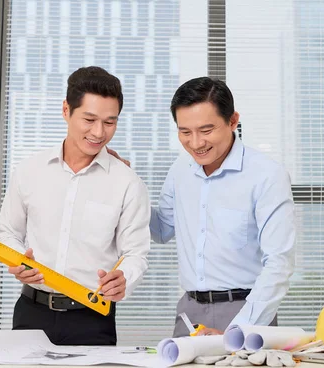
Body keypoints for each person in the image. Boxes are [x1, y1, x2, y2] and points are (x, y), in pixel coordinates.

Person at [111, 77, 296, 337]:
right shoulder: (180, 169)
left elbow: (279, 262)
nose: (196, 143)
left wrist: (238, 330)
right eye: (185, 132)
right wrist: (125, 183)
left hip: (246, 313)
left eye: (206, 130)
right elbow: (162, 229)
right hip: (189, 312)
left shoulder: (266, 175)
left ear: (233, 121)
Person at [0, 66, 151, 346]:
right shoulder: (30, 171)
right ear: (66, 110)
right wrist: (20, 259)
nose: (99, 132)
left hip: (92, 318)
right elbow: (7, 231)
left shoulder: (128, 183)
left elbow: (136, 253)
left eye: (110, 122)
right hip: (31, 312)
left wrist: (124, 278)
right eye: (89, 119)